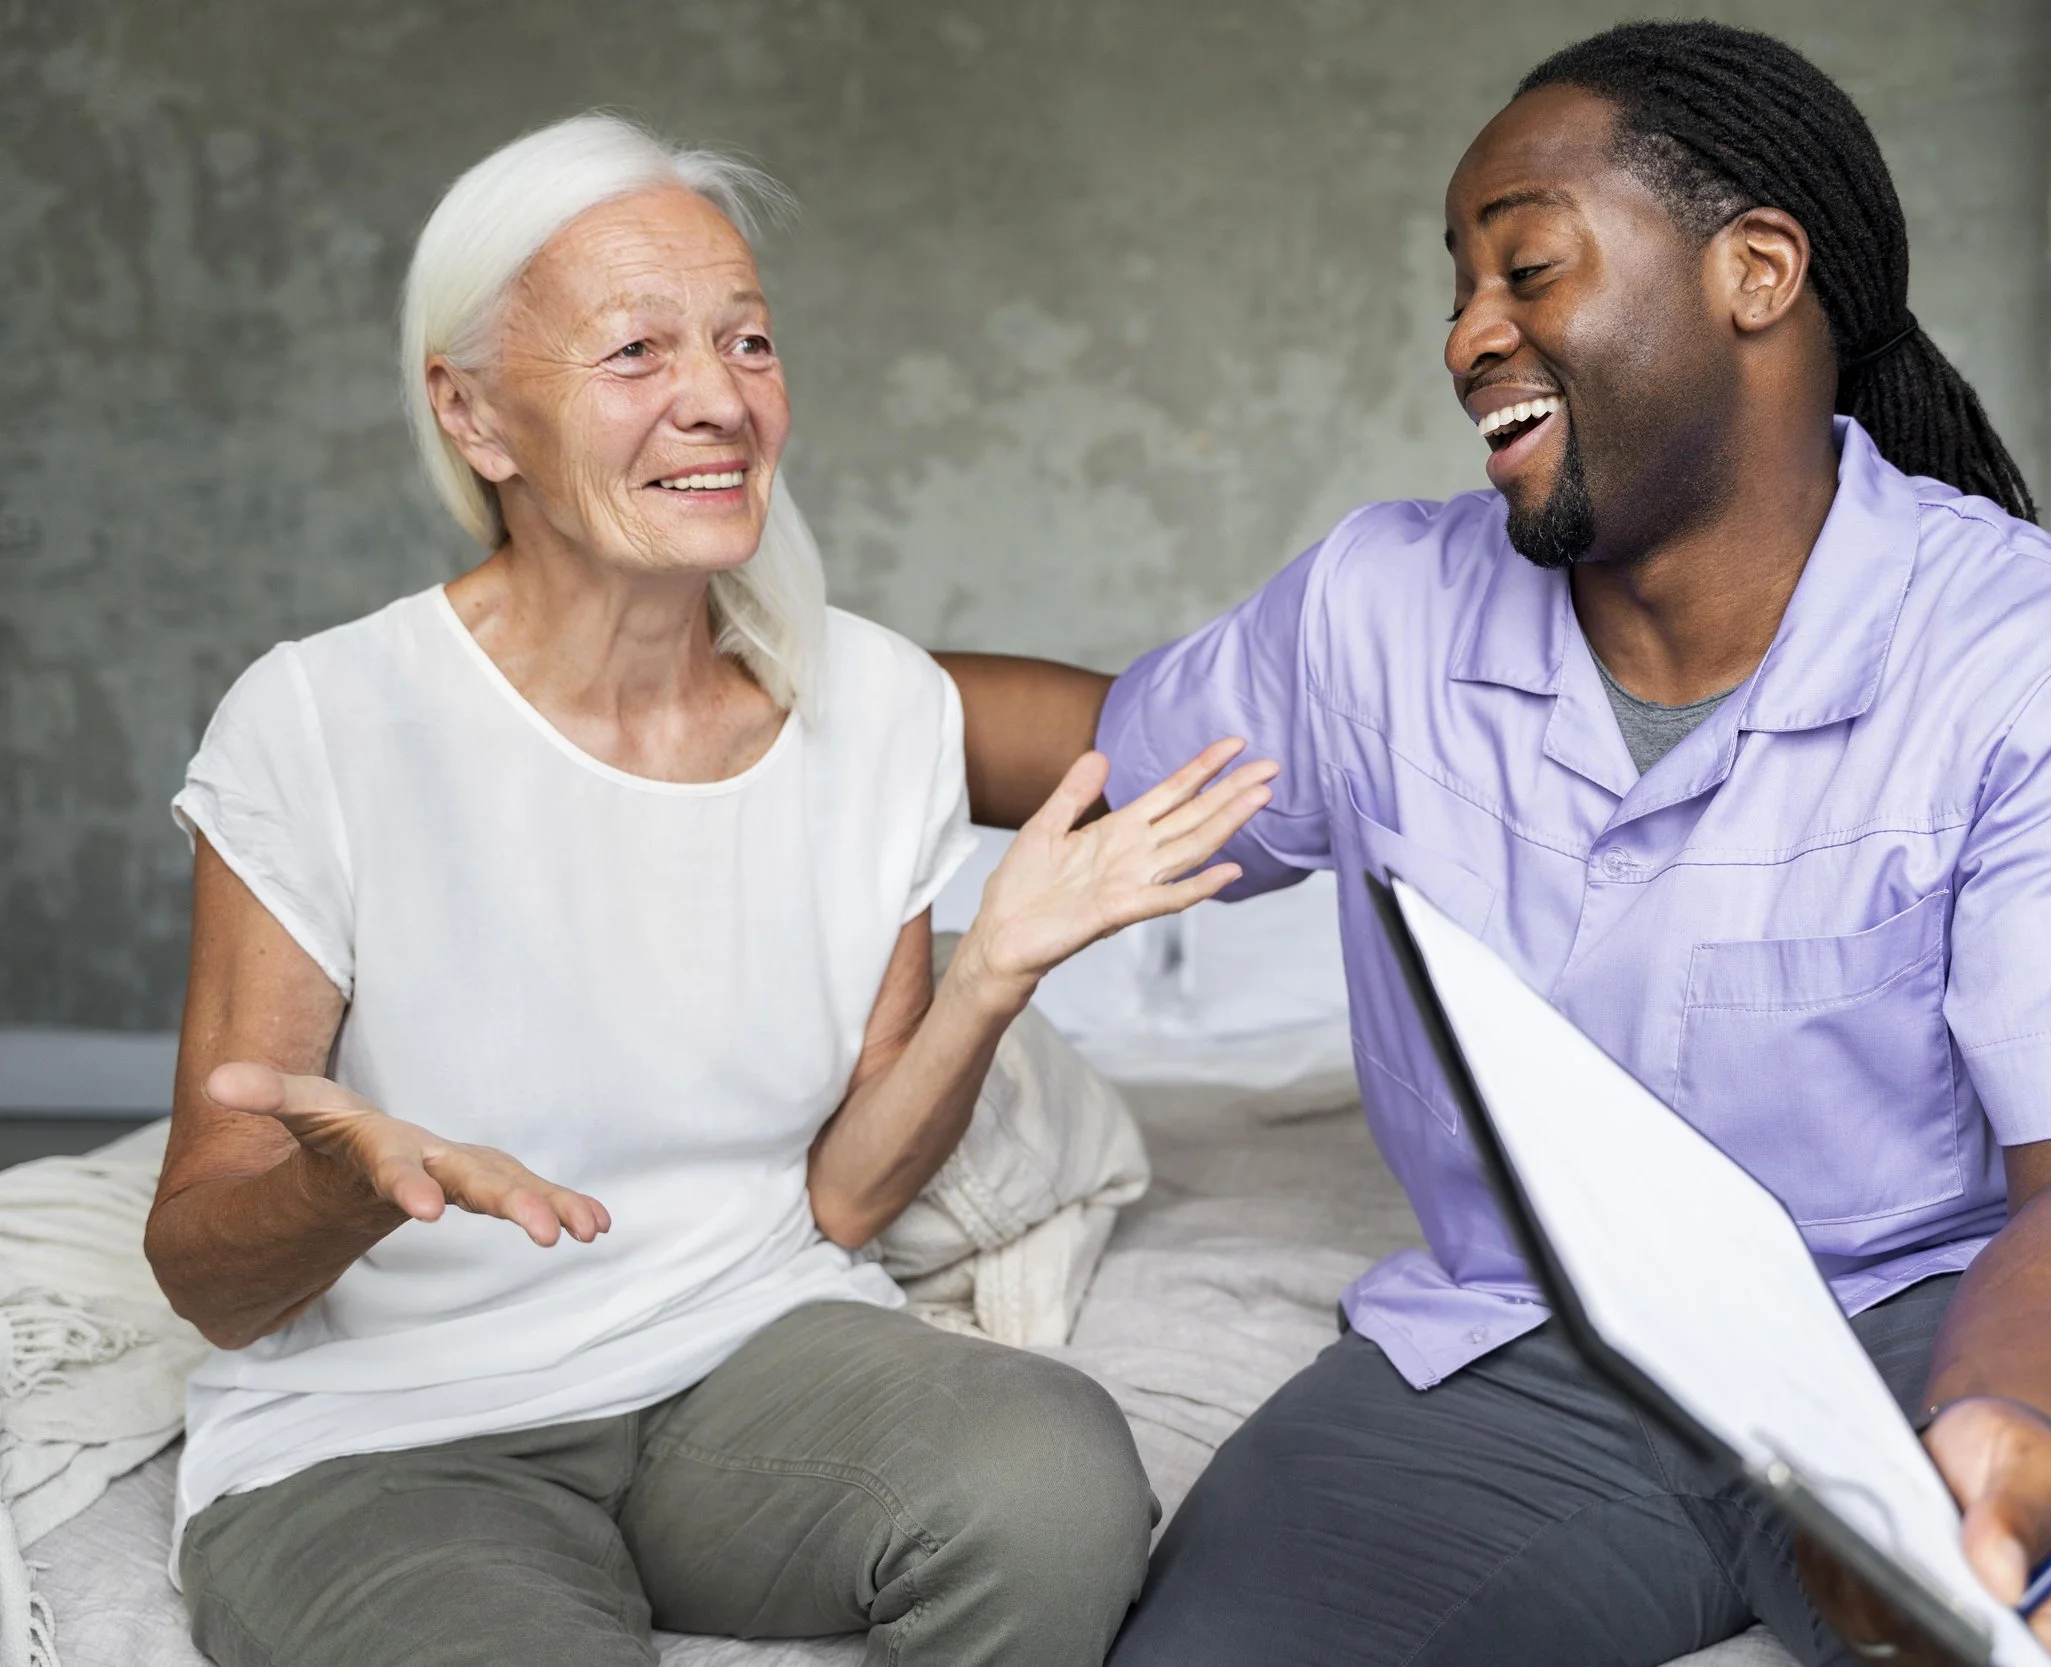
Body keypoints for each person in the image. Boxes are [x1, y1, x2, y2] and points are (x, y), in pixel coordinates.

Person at [941, 22, 2051, 1667]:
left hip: (1943, 1343)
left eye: (1526, 263)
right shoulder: (1380, 610)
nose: (1467, 334)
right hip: (1525, 1352)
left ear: (1755, 270)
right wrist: (735, 670)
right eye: (1454, 284)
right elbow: (1105, 757)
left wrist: (2015, 1437)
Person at [144, 113, 1275, 1667]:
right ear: (473, 414)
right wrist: (339, 1193)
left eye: (748, 340)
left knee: (1053, 1478)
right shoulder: (321, 722)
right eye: (635, 352)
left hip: (742, 1366)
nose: (717, 399)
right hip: (389, 1438)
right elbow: (206, 1269)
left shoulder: (873, 707)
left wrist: (994, 970)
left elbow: (847, 1200)